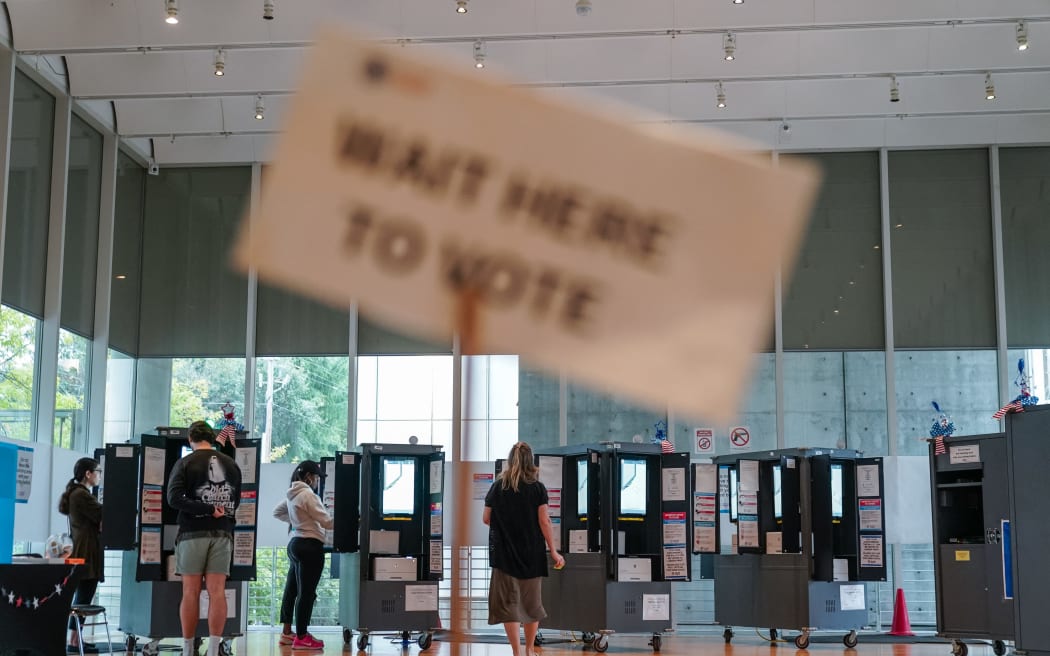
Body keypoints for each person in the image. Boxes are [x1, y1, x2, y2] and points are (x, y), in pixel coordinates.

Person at [167, 420, 242, 656]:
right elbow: (236, 501)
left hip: (192, 533)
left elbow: (174, 498)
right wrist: (216, 510)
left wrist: (205, 508)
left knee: (190, 591)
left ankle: (188, 648)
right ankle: (214, 648)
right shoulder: (231, 464)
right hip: (222, 534)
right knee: (217, 591)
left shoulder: (185, 462)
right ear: (211, 438)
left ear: (191, 439)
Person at [483, 442, 564, 656]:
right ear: (532, 462)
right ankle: (529, 649)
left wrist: (507, 525)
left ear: (510, 460)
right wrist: (554, 551)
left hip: (504, 555)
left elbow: (486, 518)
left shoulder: (498, 486)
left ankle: (516, 652)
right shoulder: (537, 488)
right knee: (531, 604)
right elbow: (544, 521)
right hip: (532, 554)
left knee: (509, 605)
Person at [273, 460, 332, 651]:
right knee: (306, 594)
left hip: (295, 544)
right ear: (309, 477)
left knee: (292, 590)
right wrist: (351, 521)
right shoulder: (308, 494)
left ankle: (287, 633)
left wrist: (298, 521)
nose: (317, 482)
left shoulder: (292, 494)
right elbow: (327, 521)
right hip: (310, 546)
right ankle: (302, 637)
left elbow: (277, 512)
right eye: (316, 478)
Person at [58, 457, 103, 653]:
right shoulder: (81, 496)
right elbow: (102, 514)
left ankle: (76, 639)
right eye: (98, 471)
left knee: (83, 596)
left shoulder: (77, 494)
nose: (100, 475)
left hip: (84, 549)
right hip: (87, 551)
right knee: (83, 598)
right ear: (88, 473)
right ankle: (74, 641)